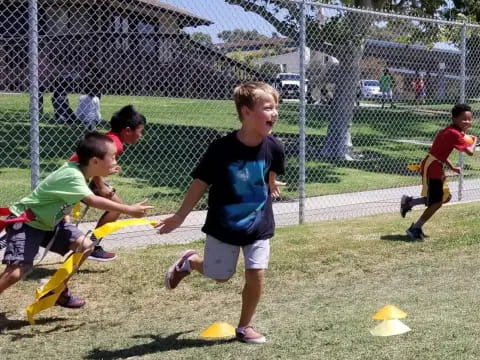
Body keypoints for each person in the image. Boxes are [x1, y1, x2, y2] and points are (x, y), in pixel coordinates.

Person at [157, 81, 285, 344]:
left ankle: (244, 327)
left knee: (256, 272)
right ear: (246, 112)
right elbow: (200, 183)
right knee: (220, 276)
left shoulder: (275, 146)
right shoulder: (221, 149)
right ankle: (189, 262)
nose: (274, 113)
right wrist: (180, 216)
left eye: (276, 108)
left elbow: (272, 170)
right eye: (268, 108)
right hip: (223, 225)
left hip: (259, 223)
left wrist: (271, 184)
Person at [0, 132, 152, 308]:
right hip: (28, 224)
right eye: (112, 157)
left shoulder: (80, 171)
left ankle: (57, 290)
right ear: (95, 161)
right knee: (15, 273)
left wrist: (64, 216)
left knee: (86, 246)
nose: (116, 161)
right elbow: (92, 200)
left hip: (50, 225)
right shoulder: (73, 176)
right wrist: (129, 210)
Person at [69, 105, 146, 261]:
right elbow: (94, 164)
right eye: (140, 131)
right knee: (115, 209)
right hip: (75, 178)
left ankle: (91, 245)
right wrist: (101, 186)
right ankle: (91, 246)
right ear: (127, 131)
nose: (141, 136)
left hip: (79, 176)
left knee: (115, 207)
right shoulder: (114, 143)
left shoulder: (112, 139)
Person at [400, 104, 477, 240]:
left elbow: (440, 152)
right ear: (454, 118)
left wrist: (452, 167)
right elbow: (470, 152)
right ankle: (415, 228)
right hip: (433, 168)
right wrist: (475, 140)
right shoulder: (454, 133)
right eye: (463, 119)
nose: (467, 122)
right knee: (436, 202)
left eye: (469, 119)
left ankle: (409, 202)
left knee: (444, 197)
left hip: (434, 164)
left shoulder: (449, 131)